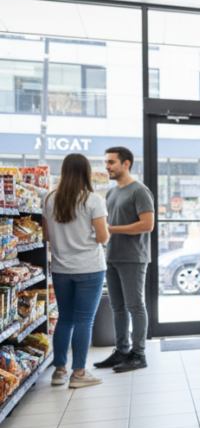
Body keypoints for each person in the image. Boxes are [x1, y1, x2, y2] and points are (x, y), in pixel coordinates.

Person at [43, 154, 109, 388]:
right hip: (89, 268)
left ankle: (59, 371)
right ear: (86, 172)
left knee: (65, 318)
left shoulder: (50, 199)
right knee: (84, 320)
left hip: (61, 268)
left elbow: (46, 236)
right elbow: (102, 237)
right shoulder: (92, 200)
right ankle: (79, 374)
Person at [94, 147, 154, 372]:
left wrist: (111, 229)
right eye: (106, 162)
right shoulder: (111, 193)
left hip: (133, 258)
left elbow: (147, 225)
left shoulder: (140, 191)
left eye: (111, 162)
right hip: (112, 256)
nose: (107, 167)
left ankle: (139, 355)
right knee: (117, 307)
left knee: (135, 306)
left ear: (126, 164)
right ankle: (121, 351)